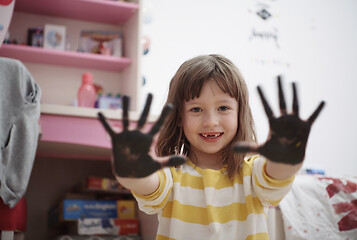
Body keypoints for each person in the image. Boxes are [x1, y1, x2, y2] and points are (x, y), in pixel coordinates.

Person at [98, 54, 325, 240]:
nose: (211, 121)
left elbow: (275, 175)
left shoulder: (253, 173)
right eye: (196, 109)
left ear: (240, 113)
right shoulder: (171, 175)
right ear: (179, 117)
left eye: (223, 108)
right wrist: (132, 171)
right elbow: (148, 186)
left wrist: (287, 157)